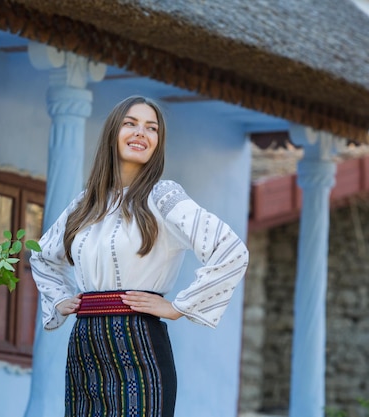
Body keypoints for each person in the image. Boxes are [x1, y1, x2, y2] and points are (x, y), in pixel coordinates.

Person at [30, 95, 249, 417]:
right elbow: (43, 256)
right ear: (112, 133)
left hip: (138, 342)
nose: (140, 133)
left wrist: (178, 308)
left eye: (151, 128)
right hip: (85, 346)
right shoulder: (85, 203)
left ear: (158, 143)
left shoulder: (164, 196)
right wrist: (60, 298)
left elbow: (231, 250)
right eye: (130, 124)